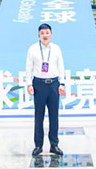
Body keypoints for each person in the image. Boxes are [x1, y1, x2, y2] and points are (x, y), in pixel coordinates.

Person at [26, 23, 66, 157]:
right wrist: (29, 84)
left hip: (53, 84)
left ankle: (54, 144)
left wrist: (62, 83)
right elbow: (28, 67)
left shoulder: (56, 49)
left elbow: (61, 66)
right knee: (39, 116)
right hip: (39, 84)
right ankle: (38, 145)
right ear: (39, 34)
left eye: (47, 32)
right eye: (42, 33)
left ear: (51, 34)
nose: (45, 35)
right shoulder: (33, 49)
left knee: (54, 116)